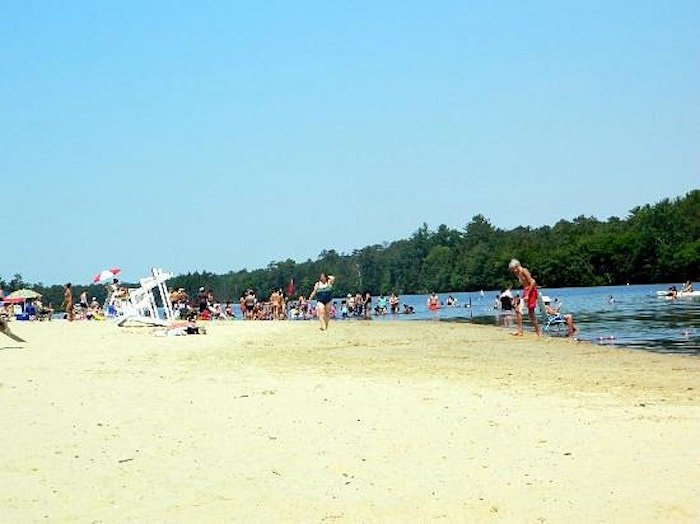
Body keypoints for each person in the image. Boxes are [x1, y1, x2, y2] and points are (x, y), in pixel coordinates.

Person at [508, 259, 540, 336]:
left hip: (531, 291)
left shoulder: (524, 271)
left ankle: (538, 332)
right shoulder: (519, 273)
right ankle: (520, 330)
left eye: (513, 269)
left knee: (531, 313)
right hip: (526, 291)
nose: (513, 271)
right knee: (517, 309)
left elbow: (533, 282)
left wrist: (528, 294)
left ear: (516, 266)